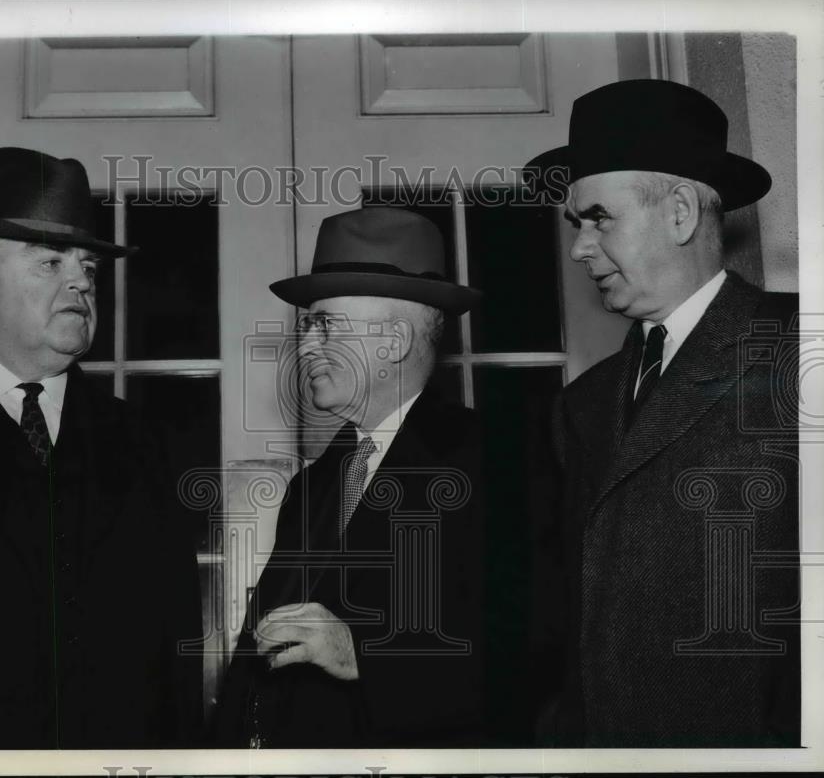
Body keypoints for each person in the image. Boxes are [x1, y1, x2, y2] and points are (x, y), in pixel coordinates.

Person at [0, 147, 203, 749]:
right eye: (50, 262)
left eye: (89, 269)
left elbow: (174, 649)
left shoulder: (145, 442)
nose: (80, 280)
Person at [525, 79, 800, 747]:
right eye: (575, 225)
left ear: (679, 213)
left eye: (598, 218)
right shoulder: (583, 404)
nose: (579, 248)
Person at [213, 207, 528, 747]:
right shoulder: (312, 486)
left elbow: (536, 654)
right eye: (306, 324)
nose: (305, 345)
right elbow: (255, 663)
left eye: (325, 324)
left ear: (395, 342)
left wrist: (364, 658)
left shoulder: (502, 464)